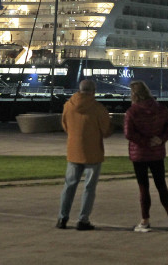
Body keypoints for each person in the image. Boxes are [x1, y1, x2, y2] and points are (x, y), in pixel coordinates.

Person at [56, 79, 113, 231]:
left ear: (79, 89)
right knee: (89, 188)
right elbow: (106, 131)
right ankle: (83, 220)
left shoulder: (68, 106)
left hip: (74, 150)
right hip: (93, 152)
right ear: (94, 91)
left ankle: (62, 218)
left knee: (69, 186)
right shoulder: (98, 108)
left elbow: (65, 125)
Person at [124, 80, 168, 232]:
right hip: (157, 152)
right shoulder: (161, 108)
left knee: (144, 188)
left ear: (134, 95)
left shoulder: (132, 112)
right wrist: (161, 138)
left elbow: (128, 133)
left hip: (140, 154)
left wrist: (145, 142)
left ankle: (145, 221)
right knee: (161, 185)